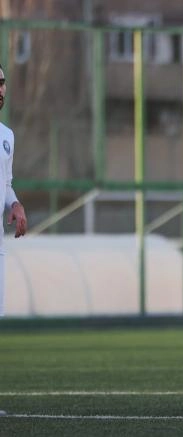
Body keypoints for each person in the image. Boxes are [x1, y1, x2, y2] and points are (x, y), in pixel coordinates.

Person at [0, 63, 28, 417]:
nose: (0, 88)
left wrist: (16, 204)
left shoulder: (6, 136)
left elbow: (5, 184)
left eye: (2, 82)